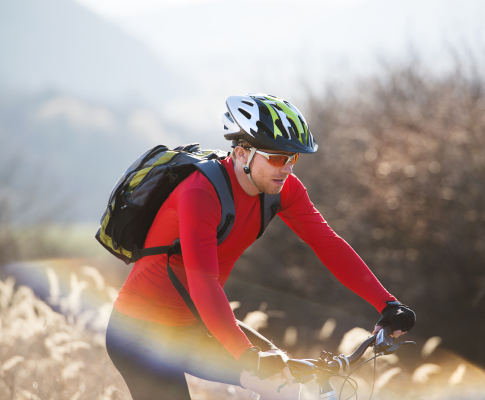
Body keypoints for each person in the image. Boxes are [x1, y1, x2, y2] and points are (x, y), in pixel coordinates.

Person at [105, 93, 416, 400]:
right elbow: (203, 281)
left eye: (293, 158)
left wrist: (387, 304)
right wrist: (246, 354)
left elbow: (327, 243)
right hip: (140, 332)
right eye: (278, 158)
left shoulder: (282, 188)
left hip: (195, 324)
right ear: (242, 153)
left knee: (283, 386)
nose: (287, 169)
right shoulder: (200, 193)